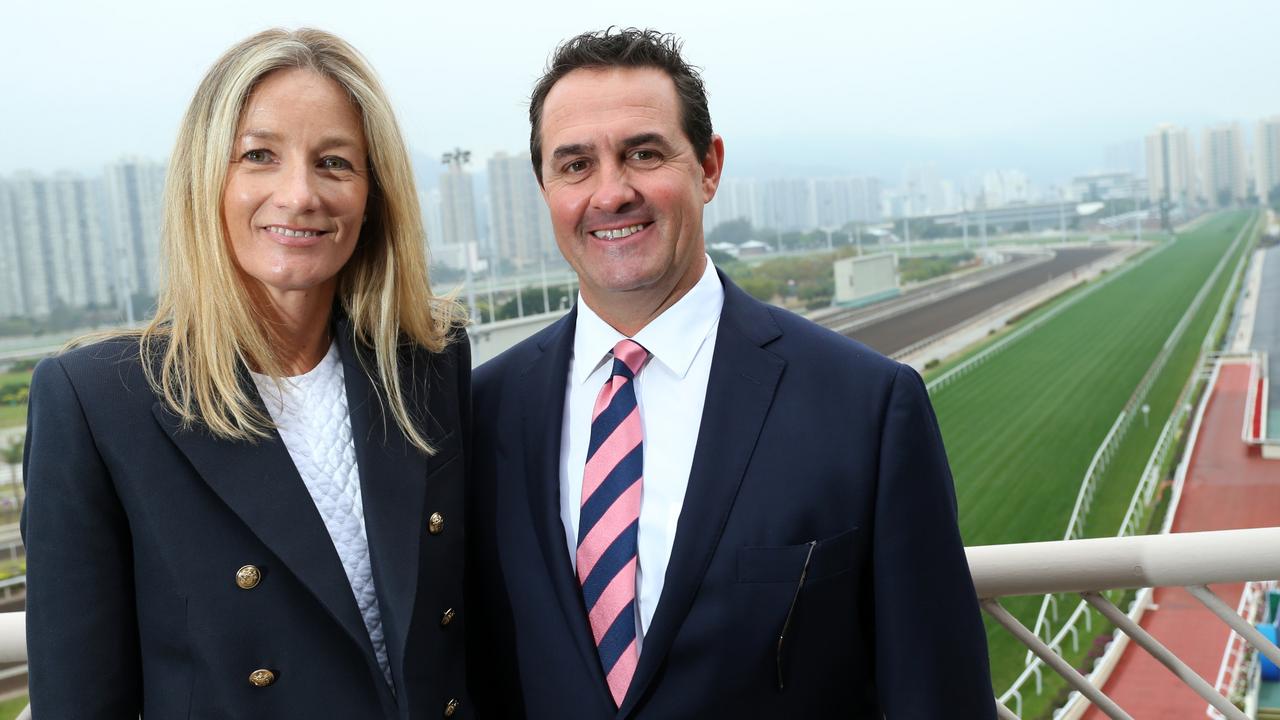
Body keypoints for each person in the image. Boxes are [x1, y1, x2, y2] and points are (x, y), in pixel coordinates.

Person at [469, 28, 995, 718]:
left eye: (644, 153)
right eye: (575, 166)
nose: (611, 192)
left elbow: (939, 697)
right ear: (545, 188)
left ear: (709, 167)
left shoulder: (866, 407)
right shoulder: (482, 413)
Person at [22, 28, 470, 719]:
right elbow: (80, 699)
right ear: (207, 180)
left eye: (335, 163)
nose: (300, 194)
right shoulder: (98, 404)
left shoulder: (428, 364)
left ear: (373, 193)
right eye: (259, 155)